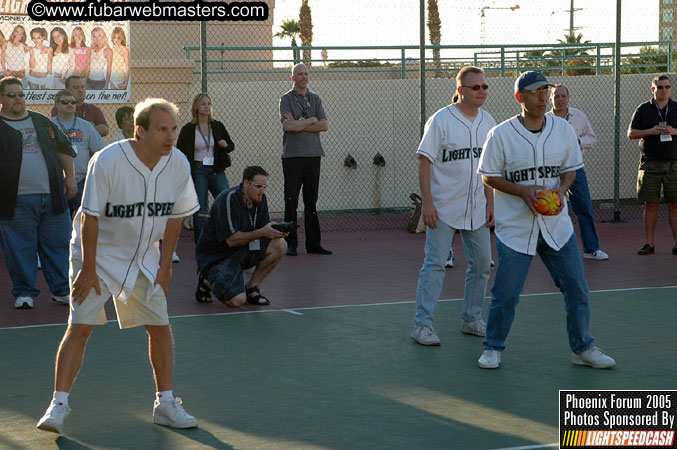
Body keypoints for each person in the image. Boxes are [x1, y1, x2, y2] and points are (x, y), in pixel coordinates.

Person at [36, 98, 200, 434]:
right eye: (161, 130)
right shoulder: (108, 160)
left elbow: (174, 219)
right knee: (80, 326)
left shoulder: (179, 163)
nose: (170, 137)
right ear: (140, 131)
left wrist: (165, 267)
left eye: (172, 129)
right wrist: (90, 268)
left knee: (160, 326)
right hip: (96, 256)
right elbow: (90, 219)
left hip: (143, 257)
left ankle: (165, 403)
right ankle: (59, 404)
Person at [476, 71, 616, 370]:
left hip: (557, 226)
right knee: (506, 294)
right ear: (520, 97)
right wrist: (523, 191)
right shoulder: (500, 134)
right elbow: (488, 175)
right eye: (535, 91)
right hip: (515, 227)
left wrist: (561, 191)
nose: (542, 96)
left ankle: (582, 348)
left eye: (545, 90)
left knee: (577, 288)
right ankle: (493, 347)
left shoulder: (563, 130)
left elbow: (571, 169)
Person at [411, 66, 495, 346]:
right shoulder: (441, 120)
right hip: (444, 207)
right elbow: (425, 161)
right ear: (461, 91)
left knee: (482, 264)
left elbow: (489, 168)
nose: (481, 91)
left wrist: (491, 202)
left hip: (477, 208)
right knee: (435, 264)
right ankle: (422, 324)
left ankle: (472, 319)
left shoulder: (488, 122)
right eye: (476, 87)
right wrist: (428, 204)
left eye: (484, 87)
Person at [0, 76, 76, 309]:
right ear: (1, 99)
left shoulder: (42, 122)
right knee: (20, 250)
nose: (18, 99)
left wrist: (70, 178)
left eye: (21, 94)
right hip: (15, 201)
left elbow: (64, 148)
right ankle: (24, 293)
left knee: (59, 246)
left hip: (52, 197)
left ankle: (62, 290)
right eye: (12, 95)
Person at [195, 166, 287, 306]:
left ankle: (252, 288)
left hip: (241, 250)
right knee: (237, 301)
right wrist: (263, 232)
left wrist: (278, 230)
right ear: (246, 183)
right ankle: (207, 278)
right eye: (258, 186)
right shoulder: (229, 199)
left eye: (264, 186)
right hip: (218, 257)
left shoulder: (261, 200)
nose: (261, 190)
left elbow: (264, 226)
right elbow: (231, 240)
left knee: (280, 244)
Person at [547, 84, 608, 260]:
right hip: (551, 168)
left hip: (575, 167)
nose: (560, 99)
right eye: (556, 96)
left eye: (563, 96)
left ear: (568, 98)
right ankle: (553, 248)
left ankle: (591, 249)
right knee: (552, 207)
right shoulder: (545, 119)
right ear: (551, 99)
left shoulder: (579, 116)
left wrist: (578, 140)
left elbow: (592, 137)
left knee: (584, 207)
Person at [279, 63, 331, 256]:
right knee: (291, 201)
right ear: (293, 78)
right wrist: (310, 121)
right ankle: (290, 244)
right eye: (299, 74)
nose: (303, 77)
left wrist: (299, 123)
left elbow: (324, 125)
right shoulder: (286, 99)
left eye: (306, 74)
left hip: (313, 155)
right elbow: (288, 127)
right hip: (292, 156)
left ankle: (314, 243)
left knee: (311, 201)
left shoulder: (315, 99)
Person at [628, 74, 677, 255]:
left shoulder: (676, 107)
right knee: (651, 204)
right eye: (660, 87)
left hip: (673, 163)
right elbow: (631, 133)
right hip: (650, 164)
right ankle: (649, 243)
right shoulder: (643, 109)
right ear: (653, 89)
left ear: (670, 89)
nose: (664, 90)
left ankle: (676, 243)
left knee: (674, 204)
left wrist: (674, 131)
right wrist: (650, 131)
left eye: (667, 87)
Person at [177, 92, 235, 244]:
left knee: (226, 200)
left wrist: (224, 144)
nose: (206, 107)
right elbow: (180, 152)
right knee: (200, 208)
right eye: (203, 104)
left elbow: (231, 145)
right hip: (198, 170)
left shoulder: (217, 126)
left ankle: (227, 238)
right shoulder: (188, 129)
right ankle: (202, 244)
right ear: (196, 107)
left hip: (216, 169)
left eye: (208, 104)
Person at [51, 89, 106, 214]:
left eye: (72, 102)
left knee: (84, 216)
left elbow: (101, 150)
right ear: (57, 104)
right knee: (61, 217)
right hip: (58, 181)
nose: (70, 104)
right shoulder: (49, 125)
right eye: (65, 102)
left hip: (83, 180)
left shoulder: (86, 126)